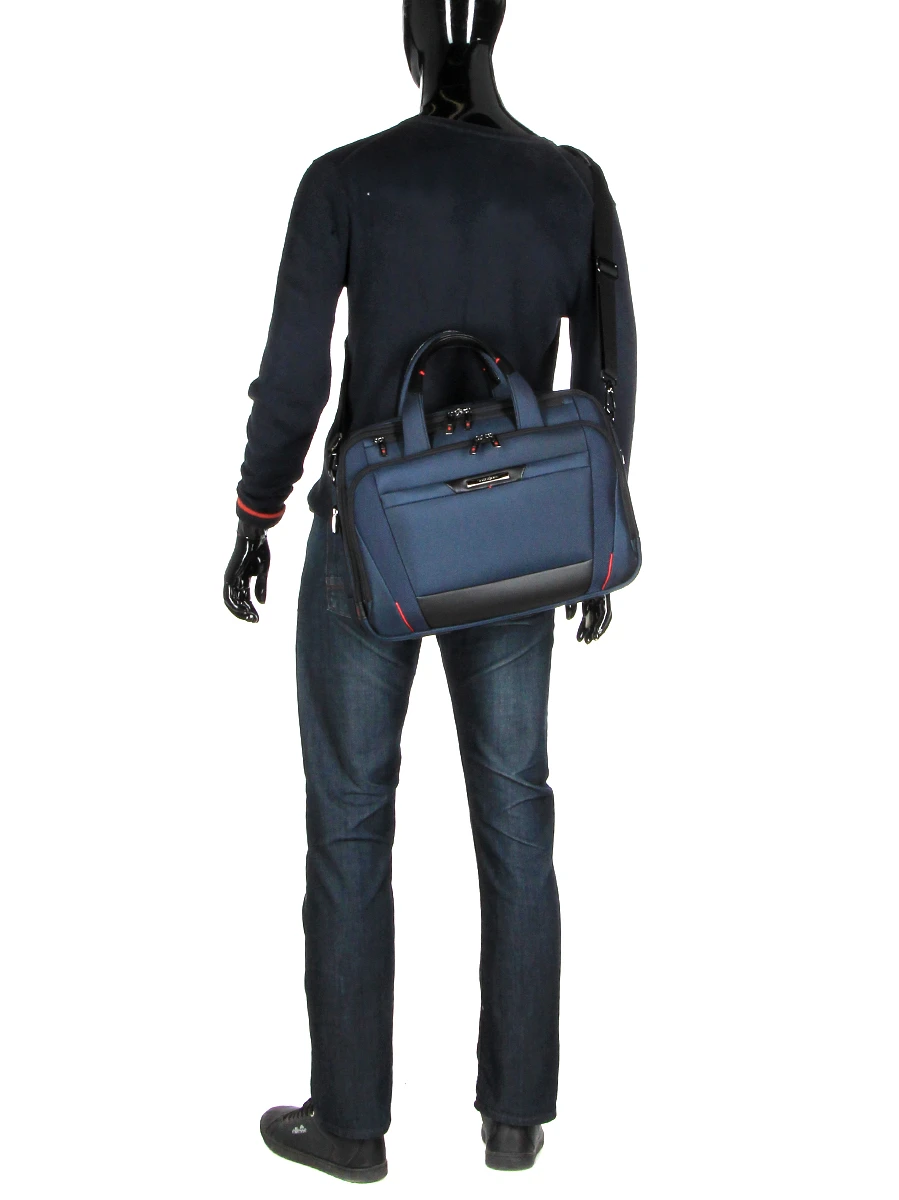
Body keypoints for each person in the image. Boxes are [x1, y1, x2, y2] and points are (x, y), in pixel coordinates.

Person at [223, 0, 636, 1182]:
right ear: (499, 25)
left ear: (411, 35)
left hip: (372, 542)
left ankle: (352, 1126)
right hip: (515, 544)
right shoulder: (571, 183)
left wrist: (256, 511)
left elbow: (294, 374)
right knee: (517, 813)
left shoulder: (345, 179)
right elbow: (611, 371)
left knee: (351, 820)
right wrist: (595, 524)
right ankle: (516, 1118)